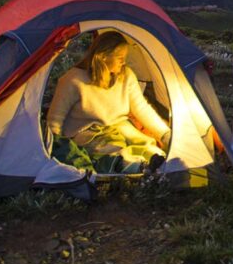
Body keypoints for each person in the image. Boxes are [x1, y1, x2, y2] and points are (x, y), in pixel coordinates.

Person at [47, 31, 170, 173]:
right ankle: (131, 167)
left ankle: (158, 162)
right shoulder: (73, 80)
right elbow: (55, 120)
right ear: (103, 57)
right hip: (88, 132)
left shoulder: (126, 75)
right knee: (112, 150)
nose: (123, 62)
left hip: (120, 127)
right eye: (119, 58)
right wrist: (55, 147)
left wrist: (165, 134)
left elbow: (142, 109)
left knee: (146, 144)